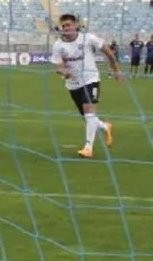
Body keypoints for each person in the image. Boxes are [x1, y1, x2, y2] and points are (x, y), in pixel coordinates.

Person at [50, 14, 121, 158]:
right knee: (89, 117)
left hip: (91, 79)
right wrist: (64, 73)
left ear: (76, 25)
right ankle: (106, 127)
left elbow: (107, 52)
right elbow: (58, 67)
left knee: (89, 111)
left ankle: (88, 147)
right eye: (63, 26)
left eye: (69, 25)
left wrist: (116, 69)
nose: (66, 28)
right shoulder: (58, 45)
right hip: (73, 85)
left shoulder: (88, 38)